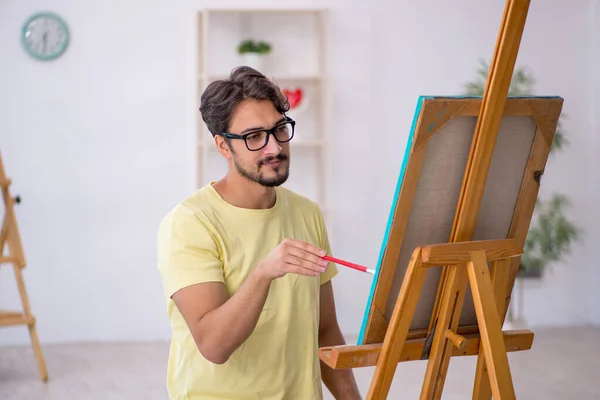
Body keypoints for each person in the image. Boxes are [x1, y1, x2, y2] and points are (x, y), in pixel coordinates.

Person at [157, 66, 361, 400]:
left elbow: (325, 331)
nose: (274, 148)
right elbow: (214, 345)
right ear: (224, 146)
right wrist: (264, 273)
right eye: (253, 137)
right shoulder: (190, 223)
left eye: (280, 129)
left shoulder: (307, 213)